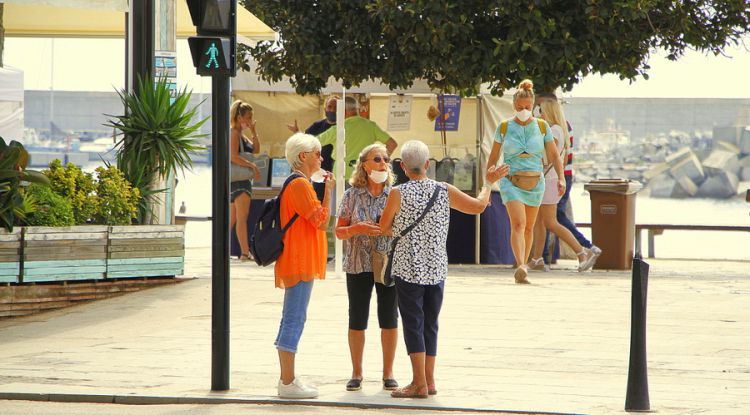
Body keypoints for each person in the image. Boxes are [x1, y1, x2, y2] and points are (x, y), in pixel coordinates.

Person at [379, 140, 507, 398]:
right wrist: (487, 183)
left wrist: (399, 232)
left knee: (413, 323)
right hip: (436, 268)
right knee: (431, 323)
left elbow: (384, 227)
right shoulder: (443, 190)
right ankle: (429, 379)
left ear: (402, 166)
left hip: (408, 268)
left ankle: (418, 383)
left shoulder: (397, 193)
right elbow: (479, 206)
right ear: (428, 164)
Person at [486, 79, 565, 284]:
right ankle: (521, 265)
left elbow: (555, 155)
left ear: (533, 106)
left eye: (527, 107)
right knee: (518, 224)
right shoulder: (504, 127)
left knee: (530, 227)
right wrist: (489, 179)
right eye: (520, 107)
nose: (523, 110)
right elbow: (493, 158)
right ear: (514, 106)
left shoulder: (542, 126)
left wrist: (561, 178)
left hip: (536, 182)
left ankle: (524, 264)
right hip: (511, 181)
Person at [274, 133, 335, 399]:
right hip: (299, 259)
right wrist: (329, 193)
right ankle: (287, 382)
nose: (321, 158)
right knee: (294, 317)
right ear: (303, 156)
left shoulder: (302, 183)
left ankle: (288, 378)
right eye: (318, 153)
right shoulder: (300, 185)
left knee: (294, 316)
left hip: (300, 258)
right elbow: (321, 222)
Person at [335, 143, 399, 392]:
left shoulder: (395, 193)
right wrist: (356, 228)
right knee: (357, 318)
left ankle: (388, 372)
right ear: (364, 164)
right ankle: (357, 372)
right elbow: (338, 232)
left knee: (389, 317)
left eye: (386, 159)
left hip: (386, 263)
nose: (383, 163)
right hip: (357, 263)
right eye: (377, 159)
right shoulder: (351, 195)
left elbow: (403, 229)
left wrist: (386, 229)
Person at [528, 97, 598, 272]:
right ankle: (537, 259)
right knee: (539, 222)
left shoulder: (555, 130)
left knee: (551, 222)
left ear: (549, 112)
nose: (540, 114)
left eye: (542, 111)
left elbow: (548, 154)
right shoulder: (557, 129)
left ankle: (581, 252)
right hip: (546, 179)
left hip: (548, 180)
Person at [317, 96, 398, 180]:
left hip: (342, 175)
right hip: (365, 174)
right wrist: (380, 161)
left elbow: (313, 142)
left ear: (343, 111)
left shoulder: (337, 128)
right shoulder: (371, 126)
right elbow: (392, 144)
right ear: (357, 109)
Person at [229, 100, 261, 261]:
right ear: (240, 116)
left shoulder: (241, 134)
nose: (250, 120)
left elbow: (256, 150)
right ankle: (244, 252)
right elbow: (233, 156)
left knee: (233, 219)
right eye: (248, 117)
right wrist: (252, 167)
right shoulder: (234, 133)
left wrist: (254, 132)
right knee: (242, 216)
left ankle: (223, 248)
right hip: (240, 180)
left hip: (238, 180)